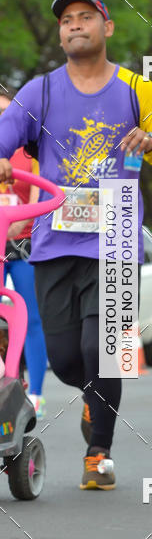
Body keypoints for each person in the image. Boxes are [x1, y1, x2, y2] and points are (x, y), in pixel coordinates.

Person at [0, 0, 152, 489]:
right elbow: (3, 136)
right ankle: (93, 396)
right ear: (61, 34)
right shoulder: (39, 92)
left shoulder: (136, 91)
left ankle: (99, 453)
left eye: (86, 17)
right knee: (65, 356)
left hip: (118, 239)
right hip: (53, 241)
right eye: (66, 20)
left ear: (107, 28)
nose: (75, 25)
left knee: (105, 348)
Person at [0, 96, 48, 415]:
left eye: (6, 112)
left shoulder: (28, 149)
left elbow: (39, 190)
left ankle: (37, 396)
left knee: (30, 317)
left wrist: (20, 224)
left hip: (22, 238)